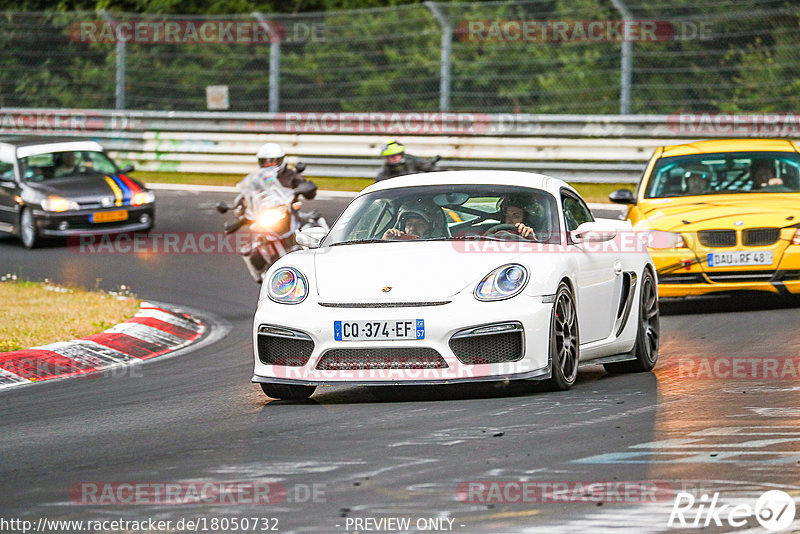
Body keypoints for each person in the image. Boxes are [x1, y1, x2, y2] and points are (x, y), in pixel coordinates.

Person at [375, 140, 440, 182]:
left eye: (396, 155)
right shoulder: (383, 173)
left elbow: (429, 167)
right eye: (390, 156)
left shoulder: (412, 162)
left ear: (401, 154)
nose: (394, 158)